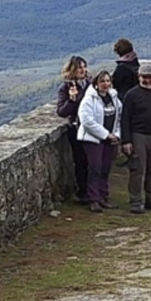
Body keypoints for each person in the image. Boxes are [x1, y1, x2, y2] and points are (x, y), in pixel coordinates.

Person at [120, 63, 151, 214]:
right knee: (138, 169)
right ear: (139, 77)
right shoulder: (132, 95)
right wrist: (126, 141)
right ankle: (136, 201)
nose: (148, 80)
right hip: (138, 136)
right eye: (145, 77)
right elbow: (125, 119)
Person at [76, 69, 121, 213]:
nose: (105, 84)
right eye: (102, 81)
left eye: (108, 81)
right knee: (95, 168)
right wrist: (105, 135)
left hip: (109, 138)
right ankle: (93, 199)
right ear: (96, 83)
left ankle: (103, 196)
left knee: (105, 168)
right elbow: (87, 121)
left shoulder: (114, 98)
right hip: (92, 139)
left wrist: (116, 134)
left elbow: (119, 117)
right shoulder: (89, 99)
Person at [56, 55, 91, 205]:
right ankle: (83, 192)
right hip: (77, 129)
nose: (83, 70)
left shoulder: (90, 84)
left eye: (84, 67)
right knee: (81, 161)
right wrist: (72, 100)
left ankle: (94, 190)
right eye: (79, 68)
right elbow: (62, 112)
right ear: (72, 70)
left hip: (92, 127)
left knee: (94, 160)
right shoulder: (65, 88)